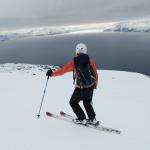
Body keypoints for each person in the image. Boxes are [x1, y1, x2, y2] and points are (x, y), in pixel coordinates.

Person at [46, 43, 99, 125]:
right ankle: (92, 119)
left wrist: (52, 74)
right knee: (87, 102)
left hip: (80, 88)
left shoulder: (74, 62)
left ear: (76, 51)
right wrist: (95, 85)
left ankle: (82, 119)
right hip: (90, 86)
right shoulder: (90, 60)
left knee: (73, 103)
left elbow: (63, 70)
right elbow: (95, 73)